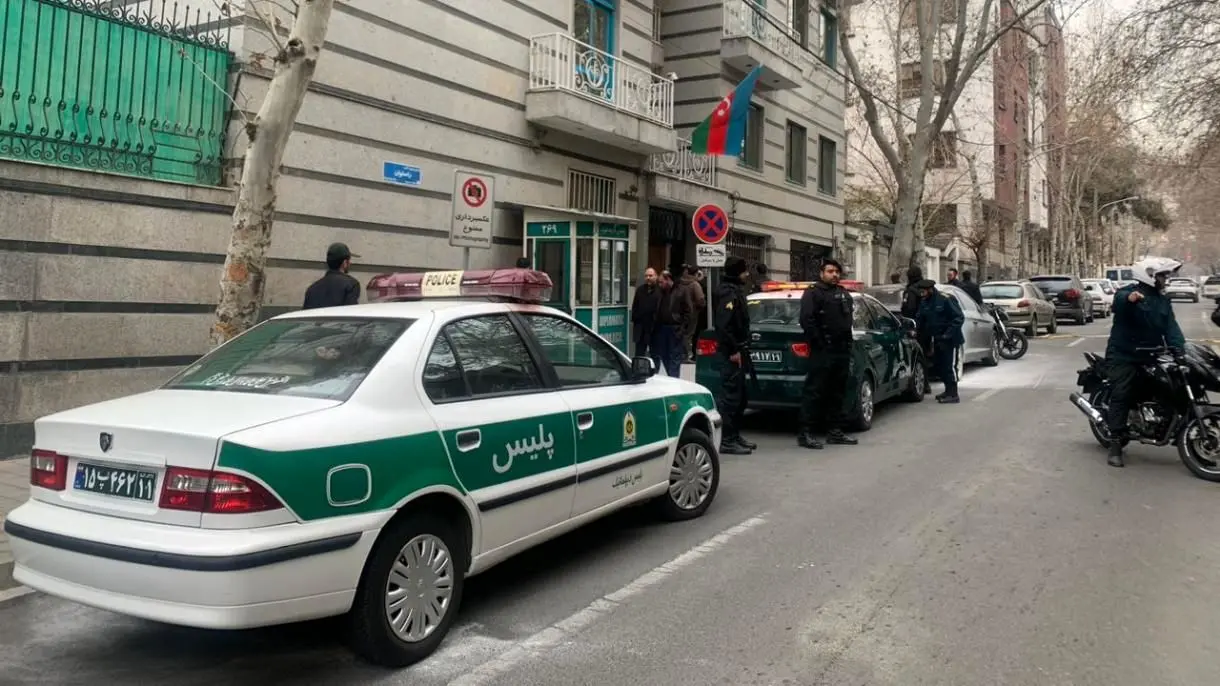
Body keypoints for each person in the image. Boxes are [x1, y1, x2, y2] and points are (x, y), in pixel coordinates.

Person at [1103, 257, 1186, 468]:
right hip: (1124, 355)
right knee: (1122, 392)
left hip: (1151, 354)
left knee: (1168, 385)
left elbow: (1171, 327)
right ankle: (1115, 443)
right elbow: (1119, 301)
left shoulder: (1162, 300)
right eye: (1162, 275)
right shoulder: (1130, 292)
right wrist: (1129, 299)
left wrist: (1180, 350)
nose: (1165, 279)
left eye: (1166, 275)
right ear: (1149, 276)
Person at [796, 258, 858, 449]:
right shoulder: (813, 293)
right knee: (814, 392)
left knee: (837, 392)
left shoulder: (843, 293)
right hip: (823, 350)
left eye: (837, 272)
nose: (834, 275)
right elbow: (807, 320)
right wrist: (820, 343)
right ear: (822, 273)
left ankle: (835, 431)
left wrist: (847, 345)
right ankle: (806, 433)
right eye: (830, 271)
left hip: (841, 350)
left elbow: (847, 321)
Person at [713, 256, 755, 455]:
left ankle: (735, 435)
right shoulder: (727, 293)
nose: (747, 274)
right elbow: (723, 326)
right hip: (731, 353)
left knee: (741, 397)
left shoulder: (735, 290)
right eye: (744, 270)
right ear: (737, 272)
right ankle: (727, 440)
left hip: (739, 350)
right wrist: (732, 350)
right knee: (730, 398)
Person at [915, 279, 965, 404]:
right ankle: (947, 390)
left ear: (930, 290)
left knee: (949, 366)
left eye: (923, 291)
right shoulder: (925, 301)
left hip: (950, 339)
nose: (921, 294)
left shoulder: (945, 299)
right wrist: (915, 330)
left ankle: (953, 394)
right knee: (940, 366)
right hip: (937, 339)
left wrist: (947, 334)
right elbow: (921, 319)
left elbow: (959, 318)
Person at [652, 270, 692, 377]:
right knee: (664, 355)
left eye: (661, 282)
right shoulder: (660, 292)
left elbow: (688, 311)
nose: (660, 284)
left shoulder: (681, 291)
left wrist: (682, 329)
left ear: (668, 280)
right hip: (662, 328)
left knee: (675, 356)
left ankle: (674, 377)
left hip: (675, 328)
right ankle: (670, 374)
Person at [303, 242, 361, 309]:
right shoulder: (351, 285)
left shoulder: (311, 289)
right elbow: (350, 312)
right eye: (349, 260)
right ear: (345, 263)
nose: (350, 263)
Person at [630, 268, 662, 358]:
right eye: (646, 276)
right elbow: (635, 306)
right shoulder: (640, 290)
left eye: (650, 276)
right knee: (639, 354)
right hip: (641, 328)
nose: (648, 278)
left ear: (656, 276)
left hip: (654, 328)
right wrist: (636, 319)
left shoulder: (660, 291)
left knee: (655, 354)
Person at [683, 265, 707, 360]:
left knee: (683, 334)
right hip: (692, 313)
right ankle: (687, 355)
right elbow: (701, 300)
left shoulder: (681, 282)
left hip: (680, 313)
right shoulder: (695, 284)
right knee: (689, 334)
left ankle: (682, 354)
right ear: (696, 273)